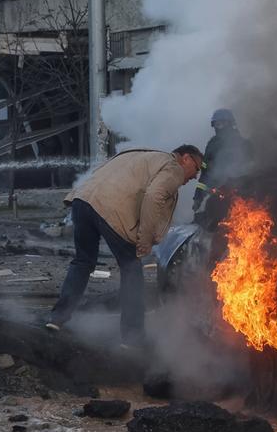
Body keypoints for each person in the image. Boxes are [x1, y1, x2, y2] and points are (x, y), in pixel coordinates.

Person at [45, 145, 204, 339]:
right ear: (186, 158)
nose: (195, 176)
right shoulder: (173, 167)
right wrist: (145, 240)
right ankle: (133, 337)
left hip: (82, 201)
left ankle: (57, 318)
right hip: (109, 209)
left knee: (82, 262)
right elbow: (154, 197)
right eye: (196, 168)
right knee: (131, 268)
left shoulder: (141, 155)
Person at [193, 108, 253, 214]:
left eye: (222, 123)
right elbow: (205, 175)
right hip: (216, 196)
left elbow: (250, 172)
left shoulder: (243, 144)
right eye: (216, 124)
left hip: (239, 196)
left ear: (230, 123)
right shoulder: (212, 144)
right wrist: (198, 197)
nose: (219, 126)